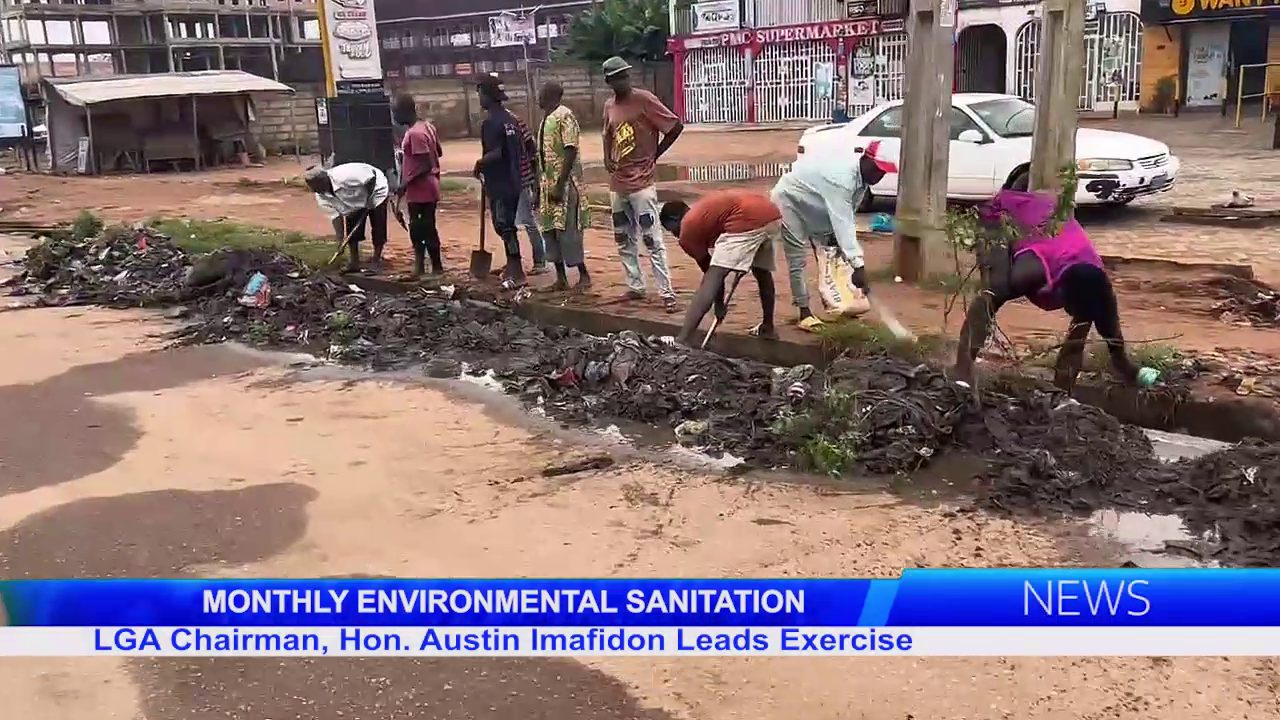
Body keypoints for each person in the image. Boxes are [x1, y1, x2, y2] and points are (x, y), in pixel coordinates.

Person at [952, 188, 1155, 392]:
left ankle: (1118, 372)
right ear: (1060, 290)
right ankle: (961, 371)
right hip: (1005, 212)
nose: (1074, 317)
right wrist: (964, 368)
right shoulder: (1030, 271)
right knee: (996, 286)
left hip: (1054, 225)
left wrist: (1062, 395)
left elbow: (1083, 342)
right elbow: (985, 303)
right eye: (1075, 311)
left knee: (1096, 330)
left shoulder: (1095, 285)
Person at [770, 141, 896, 330]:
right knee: (797, 258)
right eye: (877, 169)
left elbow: (848, 214)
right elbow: (843, 221)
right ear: (865, 159)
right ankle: (804, 312)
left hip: (816, 203)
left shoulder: (861, 179)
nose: (879, 176)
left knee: (831, 253)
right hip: (790, 200)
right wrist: (858, 265)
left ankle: (834, 302)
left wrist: (852, 260)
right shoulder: (842, 179)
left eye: (884, 172)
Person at [602, 55, 684, 313]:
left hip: (642, 183)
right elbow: (607, 133)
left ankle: (666, 292)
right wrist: (607, 157)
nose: (623, 80)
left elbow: (675, 126)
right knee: (623, 237)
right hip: (618, 183)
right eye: (618, 77)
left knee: (651, 238)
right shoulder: (609, 106)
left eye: (625, 75)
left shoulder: (645, 100)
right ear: (609, 81)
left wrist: (655, 154)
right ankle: (635, 285)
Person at [660, 190, 782, 345]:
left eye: (671, 230)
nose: (675, 235)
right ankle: (768, 327)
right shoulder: (702, 213)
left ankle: (682, 339)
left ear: (675, 220)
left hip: (745, 218)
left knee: (711, 279)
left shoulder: (688, 227)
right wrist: (719, 303)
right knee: (762, 272)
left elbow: (712, 276)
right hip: (771, 214)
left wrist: (719, 306)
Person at [473, 75, 527, 287]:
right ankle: (512, 264)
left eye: (480, 93)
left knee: (504, 226)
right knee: (506, 225)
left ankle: (516, 268)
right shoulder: (511, 120)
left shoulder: (490, 123)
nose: (478, 97)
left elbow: (497, 153)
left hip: (500, 182)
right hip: (514, 179)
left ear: (488, 95)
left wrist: (480, 163)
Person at [536, 81, 591, 291]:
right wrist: (540, 188)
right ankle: (561, 278)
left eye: (541, 93)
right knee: (550, 230)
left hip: (566, 186)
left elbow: (570, 149)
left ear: (551, 95)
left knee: (569, 231)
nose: (538, 97)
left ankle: (583, 275)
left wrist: (560, 184)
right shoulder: (545, 119)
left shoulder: (565, 116)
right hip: (547, 185)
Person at [391, 93, 444, 278]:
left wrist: (405, 183)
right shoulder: (427, 127)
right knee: (426, 227)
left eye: (395, 112)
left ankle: (429, 268)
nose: (394, 117)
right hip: (429, 186)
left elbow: (425, 164)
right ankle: (429, 267)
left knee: (420, 229)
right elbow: (438, 152)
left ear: (405, 112)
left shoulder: (415, 134)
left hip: (421, 189)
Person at [304, 162, 389, 274]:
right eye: (313, 188)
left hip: (376, 191)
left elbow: (371, 179)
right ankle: (354, 262)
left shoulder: (346, 176)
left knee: (378, 226)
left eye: (316, 187)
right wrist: (340, 241)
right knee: (351, 228)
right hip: (352, 202)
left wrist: (368, 200)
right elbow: (336, 217)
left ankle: (376, 261)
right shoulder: (321, 196)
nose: (315, 191)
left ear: (324, 180)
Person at [511, 112, 548, 275]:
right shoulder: (495, 121)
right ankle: (513, 262)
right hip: (508, 180)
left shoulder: (515, 121)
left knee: (527, 220)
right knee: (509, 223)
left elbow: (532, 149)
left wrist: (535, 180)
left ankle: (540, 261)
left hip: (521, 178)